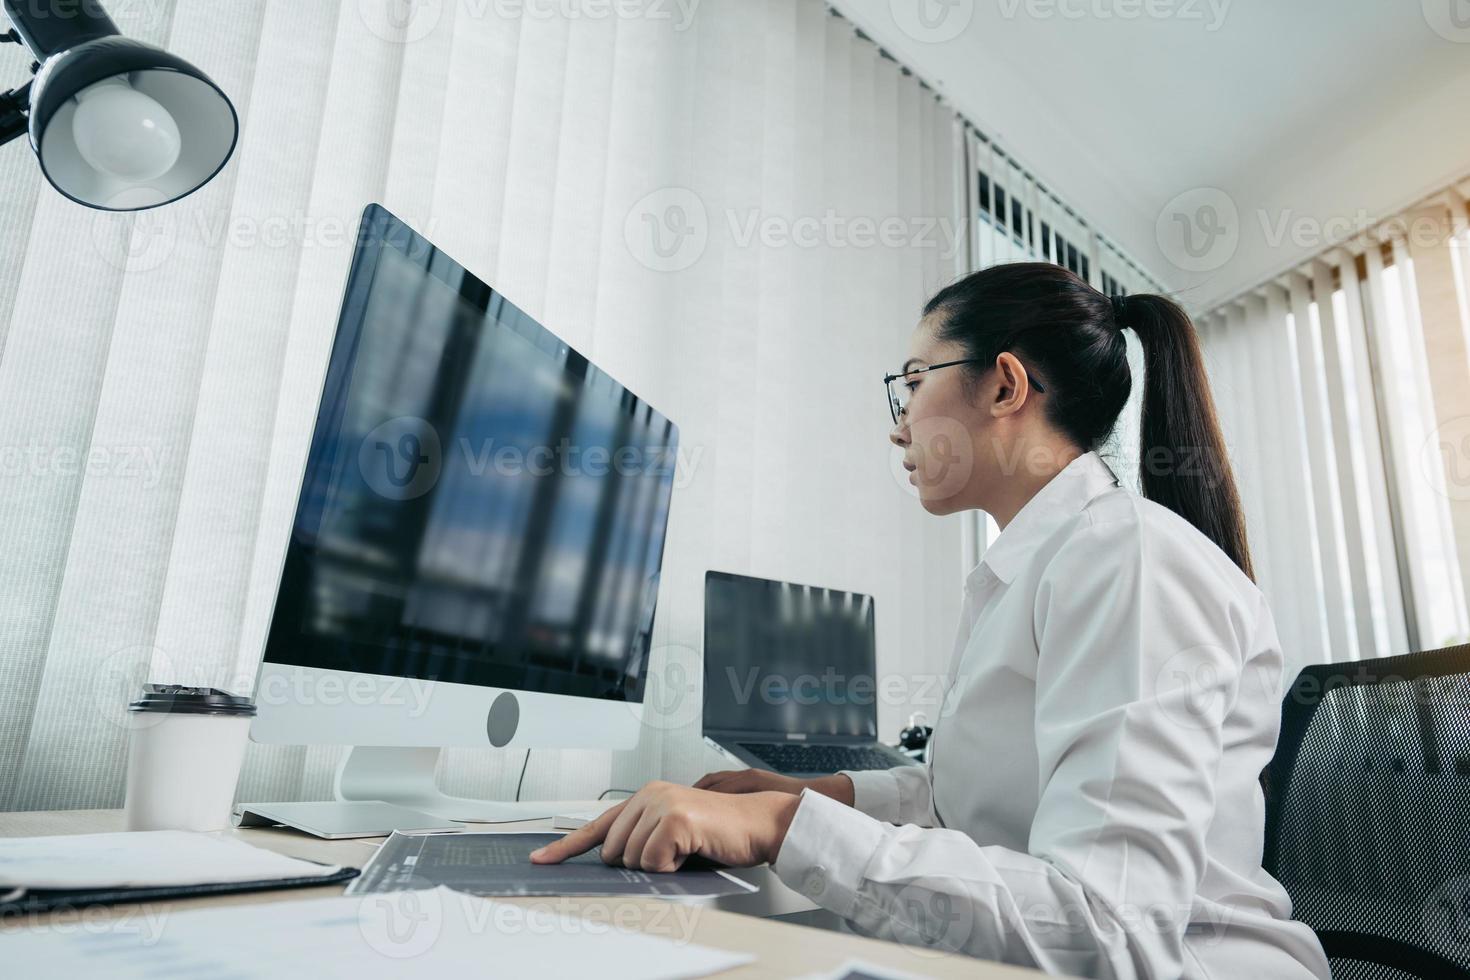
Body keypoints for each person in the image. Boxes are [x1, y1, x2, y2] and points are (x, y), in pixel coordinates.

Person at [532, 263, 1332, 979]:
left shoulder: (1127, 560)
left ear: (1005, 387)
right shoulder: (1032, 568)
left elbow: (1110, 934)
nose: (898, 422)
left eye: (913, 382)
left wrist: (784, 825)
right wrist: (817, 793)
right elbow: (974, 806)